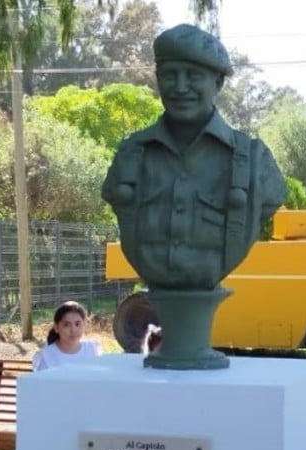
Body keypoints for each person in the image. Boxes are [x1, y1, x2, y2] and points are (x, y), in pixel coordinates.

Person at [101, 23, 287, 291]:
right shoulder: (131, 154)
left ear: (218, 82)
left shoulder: (256, 161)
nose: (180, 87)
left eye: (193, 75)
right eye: (169, 75)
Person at [32, 301, 103, 371]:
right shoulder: (46, 356)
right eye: (66, 325)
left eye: (77, 324)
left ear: (84, 324)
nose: (73, 330)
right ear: (56, 327)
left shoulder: (92, 349)